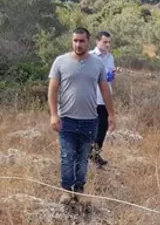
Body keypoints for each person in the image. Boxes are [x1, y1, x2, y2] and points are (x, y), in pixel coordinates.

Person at [48, 28, 115, 203]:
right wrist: (54, 115)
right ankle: (65, 190)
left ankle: (79, 189)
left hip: (89, 120)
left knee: (83, 156)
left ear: (88, 41)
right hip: (67, 119)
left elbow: (105, 90)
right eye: (75, 41)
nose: (78, 44)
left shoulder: (98, 64)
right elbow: (53, 89)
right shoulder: (60, 62)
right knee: (67, 155)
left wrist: (111, 114)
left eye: (82, 41)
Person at [90, 31, 117, 167]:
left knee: (103, 128)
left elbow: (110, 74)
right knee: (91, 128)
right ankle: (88, 154)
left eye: (109, 42)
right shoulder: (90, 56)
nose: (107, 44)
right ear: (97, 41)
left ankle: (95, 154)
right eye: (105, 41)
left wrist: (111, 75)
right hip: (92, 98)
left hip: (105, 99)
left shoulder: (110, 57)